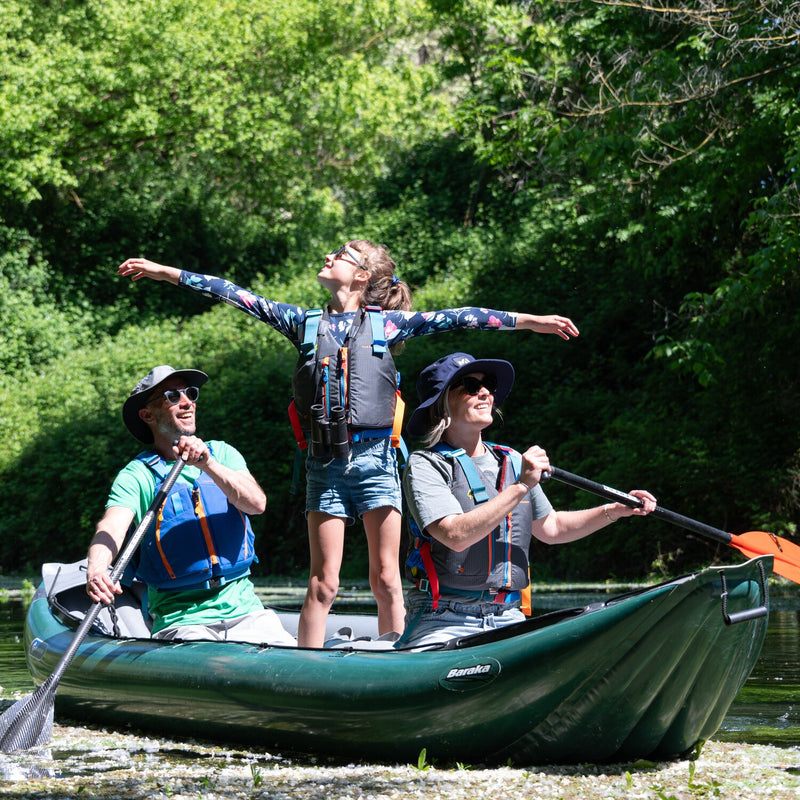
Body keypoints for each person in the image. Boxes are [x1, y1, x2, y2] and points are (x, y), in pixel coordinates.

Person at [116, 242, 580, 647]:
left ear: (361, 276)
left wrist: (530, 322)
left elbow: (465, 317)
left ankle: (397, 662)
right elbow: (231, 292)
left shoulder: (389, 325)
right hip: (324, 465)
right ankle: (304, 670)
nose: (328, 256)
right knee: (323, 583)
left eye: (340, 255)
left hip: (378, 461)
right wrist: (164, 272)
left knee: (386, 578)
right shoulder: (301, 323)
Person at [399, 351, 657, 648]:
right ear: (441, 404)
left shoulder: (511, 461)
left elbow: (552, 528)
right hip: (443, 617)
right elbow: (455, 536)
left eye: (488, 385)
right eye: (470, 386)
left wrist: (614, 510)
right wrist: (521, 486)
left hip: (509, 616)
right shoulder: (425, 465)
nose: (485, 393)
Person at [86, 365, 296, 646]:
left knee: (287, 655)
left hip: (246, 612)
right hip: (182, 620)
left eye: (190, 393)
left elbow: (257, 504)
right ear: (147, 415)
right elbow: (111, 527)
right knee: (213, 661)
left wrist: (207, 464)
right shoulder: (137, 475)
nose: (187, 402)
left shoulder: (222, 454)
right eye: (172, 396)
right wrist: (97, 568)